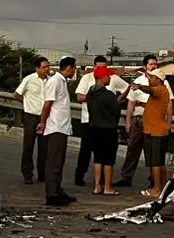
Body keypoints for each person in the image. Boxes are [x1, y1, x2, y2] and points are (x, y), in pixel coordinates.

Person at [74, 55, 128, 187]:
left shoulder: (113, 80)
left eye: (104, 68)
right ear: (94, 67)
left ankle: (101, 180)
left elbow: (127, 88)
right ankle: (80, 175)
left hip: (107, 122)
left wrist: (118, 100)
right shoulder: (87, 79)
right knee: (86, 149)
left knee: (103, 153)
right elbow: (79, 96)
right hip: (89, 119)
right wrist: (96, 100)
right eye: (99, 67)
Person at [117, 54, 162, 190]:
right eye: (150, 64)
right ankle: (126, 177)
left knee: (151, 152)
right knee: (132, 149)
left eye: (155, 64)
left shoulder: (160, 82)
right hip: (138, 119)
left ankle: (153, 179)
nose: (153, 66)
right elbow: (131, 103)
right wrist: (128, 121)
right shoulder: (138, 81)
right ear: (145, 66)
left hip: (152, 121)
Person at [130, 67, 173, 198]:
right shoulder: (162, 91)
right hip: (158, 130)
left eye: (151, 78)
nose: (149, 80)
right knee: (159, 162)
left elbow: (149, 90)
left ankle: (157, 188)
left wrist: (139, 86)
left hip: (156, 132)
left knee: (155, 162)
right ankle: (163, 188)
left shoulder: (159, 90)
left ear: (158, 80)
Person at [40, 57, 78, 206]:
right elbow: (47, 104)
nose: (74, 71)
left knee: (59, 161)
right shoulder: (55, 81)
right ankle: (52, 193)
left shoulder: (62, 81)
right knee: (54, 161)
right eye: (74, 68)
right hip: (55, 126)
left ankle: (57, 189)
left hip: (62, 126)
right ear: (69, 68)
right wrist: (43, 122)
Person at [85, 66, 123, 196]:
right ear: (102, 78)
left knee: (98, 158)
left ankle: (97, 186)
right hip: (108, 129)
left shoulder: (90, 93)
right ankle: (107, 187)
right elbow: (116, 112)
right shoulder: (108, 95)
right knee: (108, 160)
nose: (110, 77)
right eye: (108, 76)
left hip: (94, 127)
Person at [13, 57, 51, 184]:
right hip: (31, 115)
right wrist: (26, 103)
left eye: (48, 67)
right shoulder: (29, 79)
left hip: (45, 116)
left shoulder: (51, 81)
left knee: (44, 146)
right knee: (28, 145)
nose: (47, 69)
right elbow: (17, 94)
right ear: (37, 68)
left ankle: (42, 172)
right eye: (44, 67)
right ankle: (27, 173)